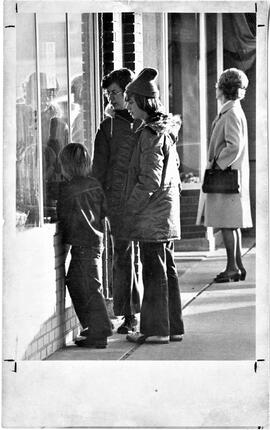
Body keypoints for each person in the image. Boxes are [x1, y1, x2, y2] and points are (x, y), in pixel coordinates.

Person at [122, 67, 184, 344]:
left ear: (143, 102)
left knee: (153, 270)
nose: (128, 107)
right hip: (165, 212)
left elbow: (149, 181)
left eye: (131, 102)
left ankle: (156, 329)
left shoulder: (150, 135)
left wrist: (129, 208)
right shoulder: (165, 131)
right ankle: (172, 327)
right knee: (165, 270)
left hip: (153, 215)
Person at [92, 68, 141, 334]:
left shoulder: (145, 122)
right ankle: (129, 313)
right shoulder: (107, 127)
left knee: (139, 256)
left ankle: (142, 310)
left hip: (143, 200)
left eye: (114, 92)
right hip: (118, 202)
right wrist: (101, 205)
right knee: (123, 256)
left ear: (127, 92)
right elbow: (98, 169)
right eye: (107, 94)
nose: (110, 98)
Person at [197, 68, 253, 282]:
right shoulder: (233, 111)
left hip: (226, 178)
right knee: (231, 224)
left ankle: (232, 268)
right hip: (232, 177)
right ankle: (236, 266)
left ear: (222, 89)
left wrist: (218, 165)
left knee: (227, 224)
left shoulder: (230, 113)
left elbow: (234, 145)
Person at [57, 143, 113, 348]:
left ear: (67, 166)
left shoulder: (67, 188)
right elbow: (104, 210)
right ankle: (94, 327)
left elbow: (62, 216)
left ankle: (99, 330)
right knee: (83, 283)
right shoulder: (94, 184)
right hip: (95, 241)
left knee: (87, 285)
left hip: (82, 242)